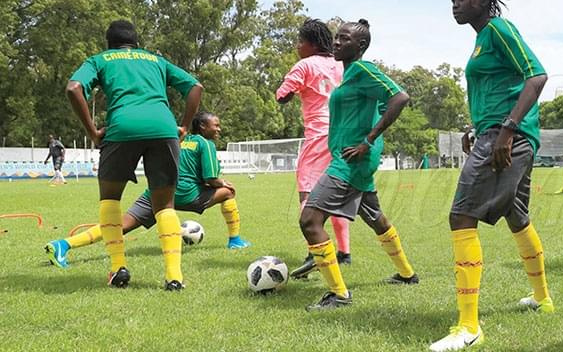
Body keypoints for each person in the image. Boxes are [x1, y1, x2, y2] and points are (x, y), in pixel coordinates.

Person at [429, 0, 551, 352]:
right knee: (518, 217)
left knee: (461, 216)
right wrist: (477, 126)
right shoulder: (483, 40)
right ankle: (542, 298)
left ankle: (469, 326)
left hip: (505, 137)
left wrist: (507, 129)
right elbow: (500, 87)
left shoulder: (498, 29)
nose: (455, 4)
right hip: (495, 132)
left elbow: (537, 76)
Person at [65, 20, 202, 290]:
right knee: (164, 206)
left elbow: (73, 88)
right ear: (136, 42)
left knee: (110, 199)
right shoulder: (155, 60)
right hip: (163, 128)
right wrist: (184, 125)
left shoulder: (100, 60)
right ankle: (174, 277)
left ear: (109, 43)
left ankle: (118, 269)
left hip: (121, 130)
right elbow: (195, 86)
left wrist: (93, 132)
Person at [299, 19, 418, 311]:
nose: (337, 43)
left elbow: (400, 98)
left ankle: (339, 294)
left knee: (310, 221)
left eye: (345, 39)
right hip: (354, 161)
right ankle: (407, 274)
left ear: (361, 46)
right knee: (375, 217)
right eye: (336, 38)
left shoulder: (363, 69)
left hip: (350, 163)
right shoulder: (351, 74)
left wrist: (369, 140)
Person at [45, 112, 249, 268]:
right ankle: (235, 240)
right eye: (216, 125)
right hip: (186, 195)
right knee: (229, 192)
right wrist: (222, 183)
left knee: (119, 225)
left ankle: (63, 245)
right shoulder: (206, 144)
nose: (219, 129)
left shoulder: (178, 138)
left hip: (159, 191)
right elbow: (211, 178)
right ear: (203, 126)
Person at [276, 19, 352, 279]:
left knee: (307, 195)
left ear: (311, 43)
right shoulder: (342, 64)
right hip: (344, 136)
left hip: (318, 137)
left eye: (300, 42)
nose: (298, 46)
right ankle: (344, 252)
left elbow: (282, 94)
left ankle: (314, 252)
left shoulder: (305, 65)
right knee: (337, 194)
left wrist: (289, 90)